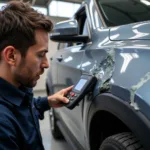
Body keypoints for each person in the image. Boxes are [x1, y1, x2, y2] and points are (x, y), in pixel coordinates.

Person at [0, 1, 73, 150]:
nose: (46, 64)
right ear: (11, 56)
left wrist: (48, 101)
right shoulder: (3, 125)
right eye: (41, 55)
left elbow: (25, 107)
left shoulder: (17, 88)